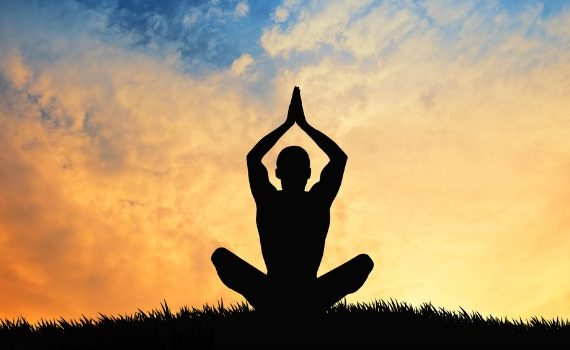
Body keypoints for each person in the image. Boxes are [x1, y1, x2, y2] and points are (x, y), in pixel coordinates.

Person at [212, 86, 373, 315]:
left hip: (292, 293)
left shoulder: (278, 200)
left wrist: (290, 124)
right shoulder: (310, 200)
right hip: (289, 292)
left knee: (363, 262)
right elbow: (338, 158)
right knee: (363, 263)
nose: (294, 173)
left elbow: (254, 158)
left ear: (278, 173)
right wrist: (300, 125)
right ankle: (292, 308)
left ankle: (279, 309)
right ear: (308, 174)